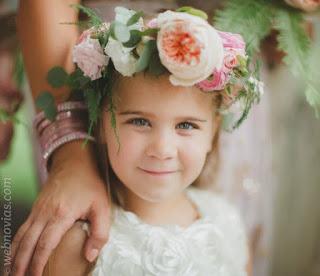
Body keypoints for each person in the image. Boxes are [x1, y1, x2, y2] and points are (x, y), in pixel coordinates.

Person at [31, 5, 259, 275]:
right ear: (102, 123)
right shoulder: (77, 244)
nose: (162, 150)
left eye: (186, 125)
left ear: (213, 132)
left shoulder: (227, 224)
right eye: (140, 121)